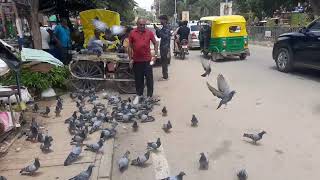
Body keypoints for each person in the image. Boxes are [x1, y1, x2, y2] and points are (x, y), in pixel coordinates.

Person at [129, 18, 158, 104]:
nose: (142, 26)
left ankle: (149, 96)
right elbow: (130, 46)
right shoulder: (132, 33)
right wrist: (130, 59)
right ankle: (139, 95)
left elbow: (155, 43)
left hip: (147, 60)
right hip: (137, 61)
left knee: (149, 79)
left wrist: (155, 55)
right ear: (137, 25)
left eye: (143, 25)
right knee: (138, 79)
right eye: (140, 25)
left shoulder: (149, 32)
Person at [154, 15, 171, 80]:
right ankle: (164, 75)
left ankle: (165, 76)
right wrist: (157, 29)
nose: (160, 21)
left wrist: (158, 29)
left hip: (165, 47)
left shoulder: (167, 27)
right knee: (163, 61)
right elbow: (159, 36)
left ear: (165, 20)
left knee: (164, 62)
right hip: (163, 46)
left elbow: (165, 36)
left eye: (161, 20)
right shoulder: (163, 27)